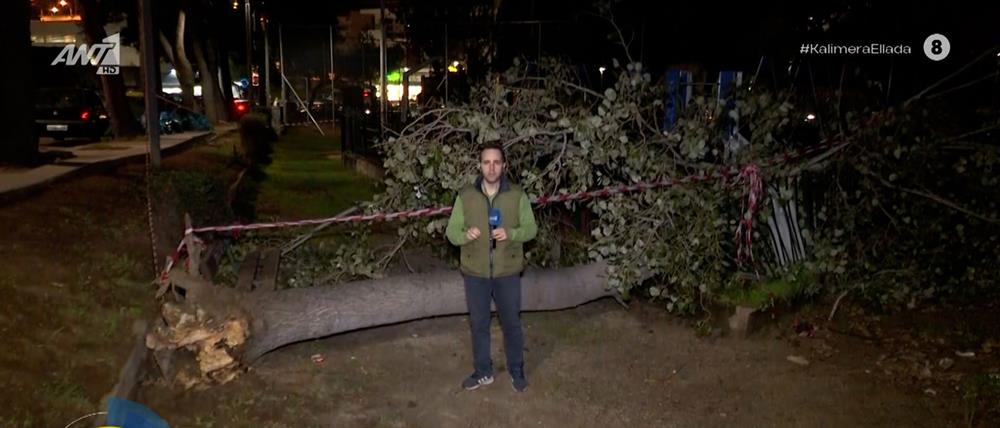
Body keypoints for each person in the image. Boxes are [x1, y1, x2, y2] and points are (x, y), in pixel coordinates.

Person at [445, 143, 538, 393]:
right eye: (487, 162)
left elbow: (531, 229)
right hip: (476, 273)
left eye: (496, 162)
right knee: (479, 324)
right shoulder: (466, 196)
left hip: (507, 272)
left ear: (504, 166)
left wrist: (511, 233)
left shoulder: (517, 195)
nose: (492, 167)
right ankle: (483, 371)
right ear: (479, 166)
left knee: (511, 324)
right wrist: (465, 236)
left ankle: (517, 370)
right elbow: (451, 232)